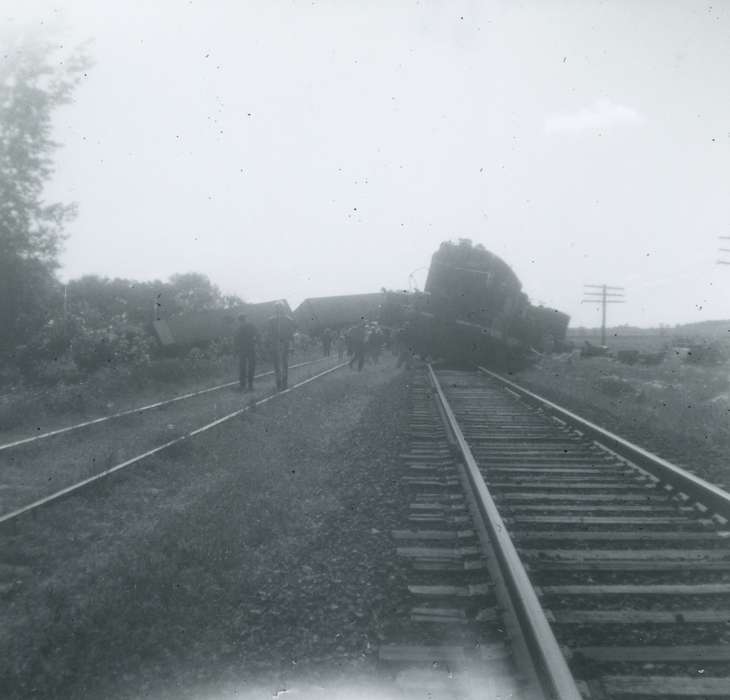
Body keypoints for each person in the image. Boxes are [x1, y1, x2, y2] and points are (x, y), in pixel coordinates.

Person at [266, 301, 296, 390]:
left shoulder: (272, 320)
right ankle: (282, 381)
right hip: (281, 343)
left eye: (279, 308)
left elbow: (270, 334)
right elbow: (291, 334)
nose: (278, 309)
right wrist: (292, 345)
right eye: (278, 308)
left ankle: (280, 382)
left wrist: (269, 344)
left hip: (278, 343)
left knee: (279, 364)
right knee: (282, 363)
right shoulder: (288, 319)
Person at [234, 313, 258, 391]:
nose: (242, 322)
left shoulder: (239, 328)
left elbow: (236, 341)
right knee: (248, 367)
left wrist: (236, 350)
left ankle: (244, 384)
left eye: (241, 320)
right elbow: (257, 335)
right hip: (249, 349)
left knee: (244, 367)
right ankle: (248, 385)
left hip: (245, 350)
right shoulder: (250, 326)